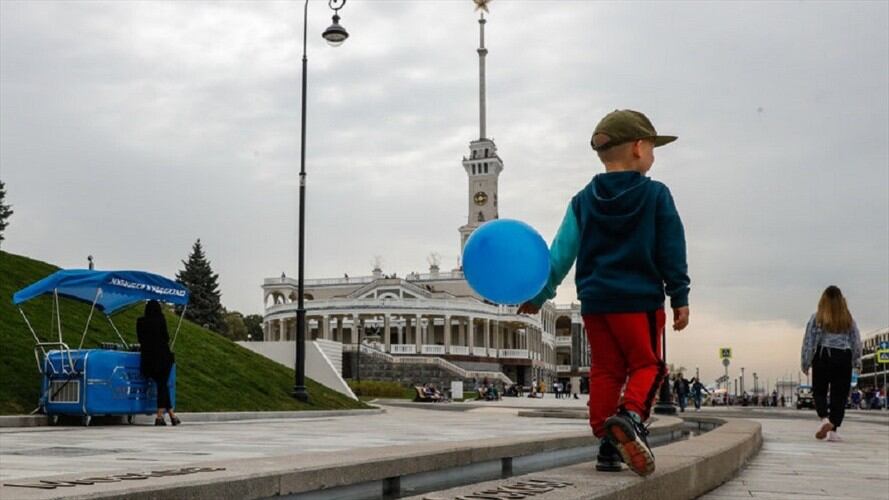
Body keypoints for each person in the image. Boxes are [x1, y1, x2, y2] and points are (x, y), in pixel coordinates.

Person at [518, 110, 689, 476]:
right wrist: (680, 296)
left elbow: (560, 253)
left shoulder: (582, 200)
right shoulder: (656, 195)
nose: (655, 155)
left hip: (595, 304)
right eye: (654, 147)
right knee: (649, 365)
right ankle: (630, 419)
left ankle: (607, 446)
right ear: (640, 148)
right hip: (638, 301)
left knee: (606, 369)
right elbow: (672, 249)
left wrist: (540, 294)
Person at [800, 286, 862, 442]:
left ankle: (825, 420)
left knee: (819, 391)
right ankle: (833, 431)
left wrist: (806, 362)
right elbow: (856, 341)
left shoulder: (817, 318)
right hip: (843, 357)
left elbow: (809, 341)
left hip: (823, 356)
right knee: (839, 395)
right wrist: (857, 361)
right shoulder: (848, 319)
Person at [137, 300, 180, 426]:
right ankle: (160, 417)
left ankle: (172, 416)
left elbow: (140, 339)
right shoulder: (161, 319)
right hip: (162, 357)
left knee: (162, 385)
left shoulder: (140, 321)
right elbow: (166, 337)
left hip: (148, 358)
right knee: (162, 385)